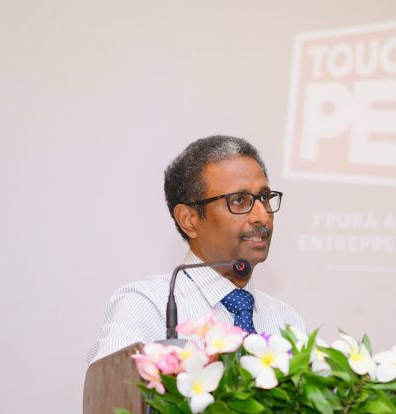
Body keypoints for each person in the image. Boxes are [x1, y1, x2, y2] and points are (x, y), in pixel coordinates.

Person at [87, 135, 306, 363]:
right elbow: (111, 382)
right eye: (239, 200)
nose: (262, 216)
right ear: (189, 220)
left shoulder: (287, 321)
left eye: (264, 198)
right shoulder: (148, 306)